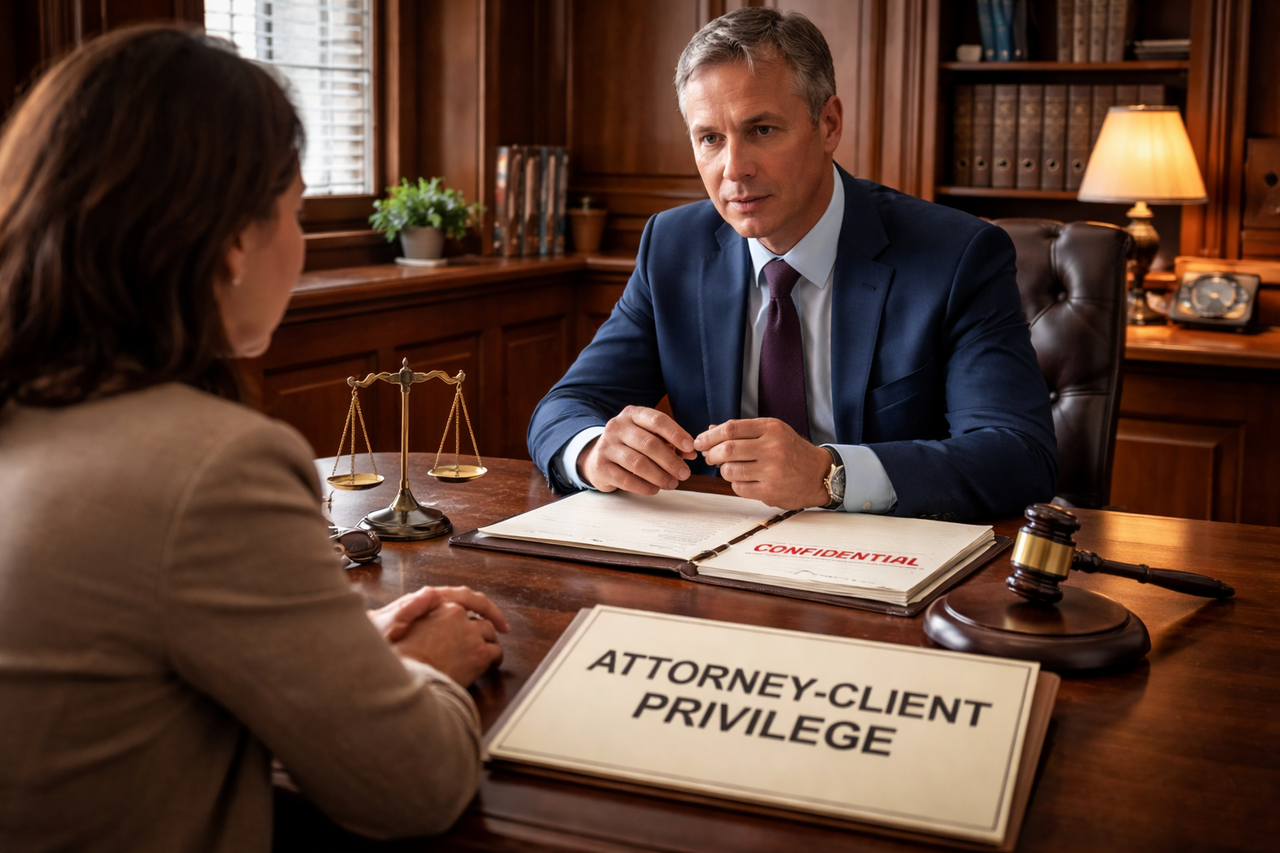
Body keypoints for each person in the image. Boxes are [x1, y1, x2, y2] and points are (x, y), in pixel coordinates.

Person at [0, 26, 507, 851]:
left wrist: (342, 663)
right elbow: (412, 787)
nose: (301, 244)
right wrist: (423, 672)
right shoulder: (214, 468)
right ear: (236, 239)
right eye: (296, 212)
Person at [528, 8, 1056, 521]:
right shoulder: (673, 246)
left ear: (827, 124)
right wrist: (593, 451)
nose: (734, 169)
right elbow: (566, 406)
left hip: (884, 561)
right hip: (712, 553)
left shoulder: (958, 256)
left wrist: (831, 475)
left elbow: (1017, 454)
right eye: (710, 138)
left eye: (761, 130)